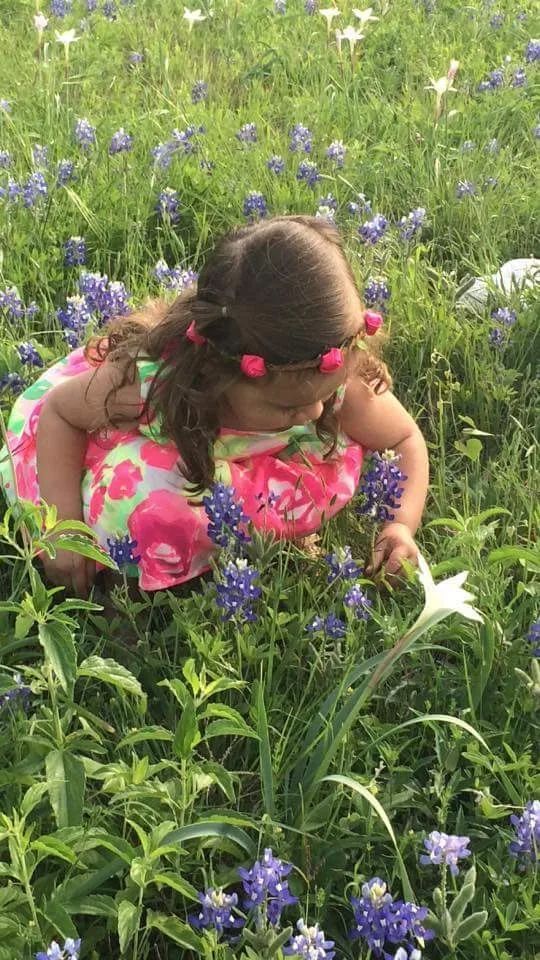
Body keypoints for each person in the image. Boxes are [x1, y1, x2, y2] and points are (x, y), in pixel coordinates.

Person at [0, 214, 429, 597]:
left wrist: (401, 525)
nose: (316, 414)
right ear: (217, 375)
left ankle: (262, 537)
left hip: (243, 476)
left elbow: (405, 437)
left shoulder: (328, 375)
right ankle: (125, 587)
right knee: (137, 496)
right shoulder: (147, 381)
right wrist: (62, 529)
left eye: (321, 398)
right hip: (132, 450)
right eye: (287, 409)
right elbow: (60, 412)